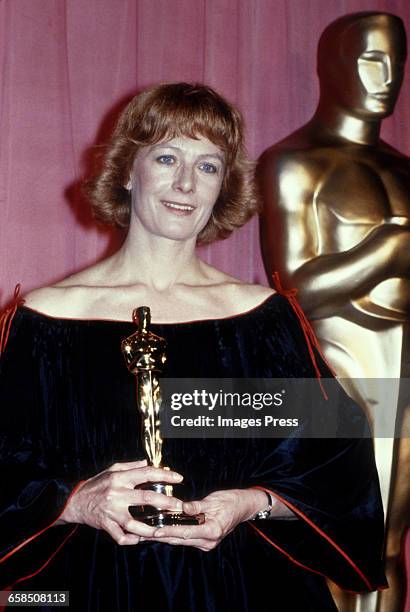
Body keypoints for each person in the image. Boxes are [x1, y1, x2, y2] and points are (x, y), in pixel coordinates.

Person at [0, 82, 386, 611]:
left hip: (245, 588)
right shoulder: (44, 320)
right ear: (127, 171)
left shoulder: (261, 319)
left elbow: (340, 462)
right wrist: (73, 502)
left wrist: (251, 504)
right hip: (83, 589)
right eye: (166, 157)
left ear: (223, 187)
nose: (185, 182)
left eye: (208, 166)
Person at [258, 12, 409, 611]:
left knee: (393, 544)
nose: (389, 77)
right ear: (333, 68)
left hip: (405, 364)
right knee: (336, 535)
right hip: (341, 362)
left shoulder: (404, 169)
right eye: (372, 60)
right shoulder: (295, 162)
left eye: (398, 61)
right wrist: (391, 246)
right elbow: (291, 287)